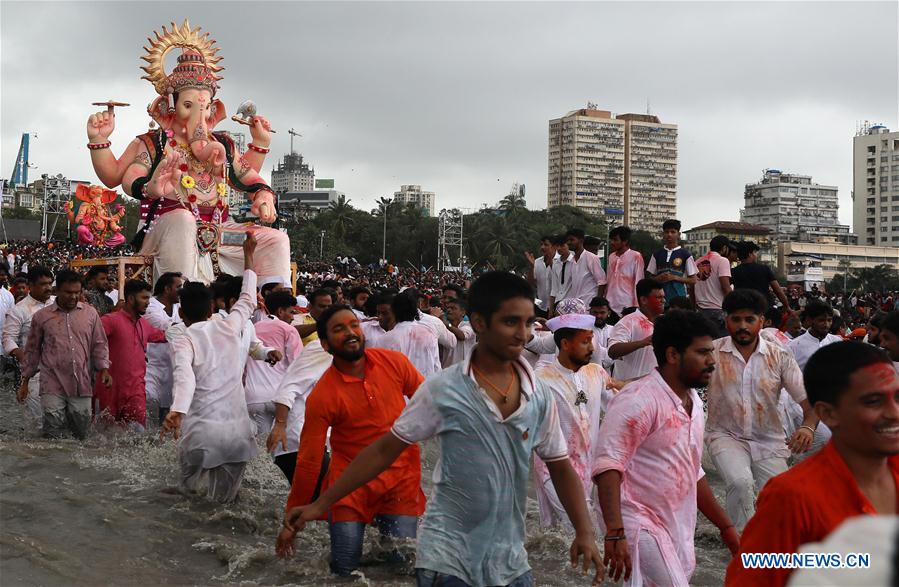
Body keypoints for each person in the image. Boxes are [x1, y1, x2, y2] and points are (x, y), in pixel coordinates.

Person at [278, 271, 604, 586]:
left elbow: (560, 466)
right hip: (440, 555)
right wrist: (315, 506)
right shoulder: (442, 390)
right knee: (344, 569)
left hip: (504, 557)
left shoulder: (539, 394)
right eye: (510, 322)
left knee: (396, 562)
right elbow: (369, 451)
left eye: (528, 323)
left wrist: (585, 532)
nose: (523, 334)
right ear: (479, 323)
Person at [726, 342, 899, 587]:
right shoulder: (792, 497)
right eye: (873, 401)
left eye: (898, 397)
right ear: (828, 414)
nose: (894, 413)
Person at [279, 305, 427, 577]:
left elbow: (431, 401)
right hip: (349, 488)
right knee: (343, 572)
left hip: (401, 481)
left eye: (353, 325)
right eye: (339, 329)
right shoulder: (323, 395)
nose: (350, 333)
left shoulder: (394, 362)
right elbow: (309, 460)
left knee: (402, 571)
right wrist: (294, 516)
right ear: (325, 345)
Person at [594, 310, 739, 585]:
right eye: (703, 353)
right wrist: (614, 530)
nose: (712, 362)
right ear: (673, 355)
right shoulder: (637, 401)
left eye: (712, 352)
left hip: (675, 523)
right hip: (636, 522)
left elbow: (692, 471)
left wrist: (726, 526)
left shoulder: (694, 402)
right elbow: (607, 466)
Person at [160, 234, 265, 503]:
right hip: (238, 434)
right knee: (223, 507)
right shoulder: (230, 325)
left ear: (181, 315)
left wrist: (177, 411)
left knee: (186, 498)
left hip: (201, 434)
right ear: (212, 309)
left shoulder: (182, 336)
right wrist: (248, 256)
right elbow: (248, 300)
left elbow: (185, 376)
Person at [705, 289, 818, 531]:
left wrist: (807, 427)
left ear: (762, 321)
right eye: (736, 319)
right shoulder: (710, 353)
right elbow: (678, 381)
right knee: (740, 482)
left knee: (778, 498)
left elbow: (810, 404)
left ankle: (768, 545)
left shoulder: (779, 357)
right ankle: (741, 544)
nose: (742, 326)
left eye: (749, 320)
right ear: (726, 320)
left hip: (769, 440)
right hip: (725, 436)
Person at [534, 312, 613, 531]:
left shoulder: (596, 373)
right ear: (566, 344)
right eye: (585, 342)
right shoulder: (541, 380)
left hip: (588, 466)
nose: (592, 348)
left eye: (592, 341)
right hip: (553, 469)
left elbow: (618, 402)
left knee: (566, 535)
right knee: (581, 528)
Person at [17, 269, 112, 440]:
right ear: (57, 291)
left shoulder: (90, 314)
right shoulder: (41, 317)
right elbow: (32, 351)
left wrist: (104, 369)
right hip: (51, 381)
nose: (73, 297)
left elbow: (99, 343)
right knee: (53, 429)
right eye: (68, 292)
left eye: (77, 293)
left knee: (81, 433)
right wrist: (25, 381)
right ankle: (53, 464)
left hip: (81, 382)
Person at [96, 279, 167, 431]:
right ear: (130, 299)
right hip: (109, 390)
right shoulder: (110, 320)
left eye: (148, 298)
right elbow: (93, 342)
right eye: (144, 298)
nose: (148, 303)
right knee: (105, 439)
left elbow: (163, 336)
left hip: (136, 391)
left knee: (138, 435)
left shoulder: (144, 324)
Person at [3, 266, 55, 436]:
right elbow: (8, 338)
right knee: (36, 424)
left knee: (59, 422)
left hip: (61, 370)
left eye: (50, 283)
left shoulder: (58, 303)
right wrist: (20, 354)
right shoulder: (20, 310)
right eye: (43, 284)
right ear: (30, 285)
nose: (48, 287)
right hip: (33, 374)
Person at [244, 290, 303, 436]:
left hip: (253, 397)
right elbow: (297, 366)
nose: (292, 317)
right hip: (280, 398)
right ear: (281, 311)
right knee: (282, 445)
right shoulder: (289, 330)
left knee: (262, 448)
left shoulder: (252, 328)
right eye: (291, 312)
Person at [144, 271, 183, 425]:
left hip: (171, 368)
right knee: (151, 411)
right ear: (167, 289)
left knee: (167, 416)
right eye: (178, 287)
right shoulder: (150, 306)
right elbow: (166, 326)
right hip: (151, 369)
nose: (182, 290)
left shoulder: (179, 306)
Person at [607, 279, 665, 381]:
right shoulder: (628, 322)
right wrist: (643, 343)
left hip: (656, 389)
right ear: (643, 300)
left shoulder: (666, 322)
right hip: (629, 390)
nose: (663, 301)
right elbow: (612, 351)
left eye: (663, 297)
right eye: (658, 297)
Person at [376, 291, 441, 377]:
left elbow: (381, 372)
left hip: (400, 388)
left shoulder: (385, 339)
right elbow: (437, 368)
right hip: (426, 387)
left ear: (394, 311)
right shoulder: (429, 334)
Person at [646, 219, 698, 304]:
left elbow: (693, 280)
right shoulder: (657, 254)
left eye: (673, 232)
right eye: (666, 232)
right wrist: (659, 278)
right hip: (660, 301)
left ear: (679, 234)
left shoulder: (685, 254)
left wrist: (674, 277)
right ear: (663, 234)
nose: (669, 234)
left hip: (680, 300)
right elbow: (649, 279)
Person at [731, 241, 790, 311]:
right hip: (763, 308)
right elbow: (777, 290)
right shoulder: (764, 269)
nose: (756, 255)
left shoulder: (734, 271)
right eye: (755, 252)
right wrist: (786, 306)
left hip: (743, 308)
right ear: (750, 254)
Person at [691, 235, 733, 337]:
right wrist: (733, 306)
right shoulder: (723, 261)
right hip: (718, 310)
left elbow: (691, 287)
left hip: (700, 311)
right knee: (720, 346)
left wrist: (693, 308)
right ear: (724, 248)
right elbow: (725, 287)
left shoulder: (697, 262)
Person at [787, 300, 842, 370]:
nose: (826, 325)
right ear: (809, 320)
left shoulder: (837, 342)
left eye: (829, 320)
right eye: (821, 320)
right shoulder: (793, 346)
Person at [604, 226, 644, 317]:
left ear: (625, 241)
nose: (612, 242)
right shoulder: (611, 256)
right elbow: (609, 279)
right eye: (611, 240)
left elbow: (638, 281)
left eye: (615, 240)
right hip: (610, 304)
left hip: (628, 304)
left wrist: (636, 305)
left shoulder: (636, 256)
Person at [564, 228, 607, 307]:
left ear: (581, 240)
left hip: (589, 304)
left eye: (572, 240)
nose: (569, 242)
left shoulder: (591, 257)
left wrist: (597, 304)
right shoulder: (571, 260)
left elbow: (602, 282)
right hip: (576, 304)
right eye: (567, 240)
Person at [526, 235, 557, 317]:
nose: (542, 247)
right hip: (540, 307)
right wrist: (532, 267)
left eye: (546, 245)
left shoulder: (560, 262)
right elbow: (530, 283)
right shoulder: (537, 262)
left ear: (554, 246)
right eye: (541, 244)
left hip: (556, 308)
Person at [440, 297, 476, 367]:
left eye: (453, 308)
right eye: (448, 308)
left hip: (463, 372)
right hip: (446, 372)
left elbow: (462, 336)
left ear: (463, 312)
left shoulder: (468, 325)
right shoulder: (444, 327)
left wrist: (447, 324)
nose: (449, 310)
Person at [549, 234, 573, 316]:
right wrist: (551, 310)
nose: (559, 248)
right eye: (557, 246)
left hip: (572, 305)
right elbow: (554, 289)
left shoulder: (575, 262)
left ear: (568, 245)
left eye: (562, 245)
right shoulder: (556, 263)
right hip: (558, 305)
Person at [589, 296, 613, 369]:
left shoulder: (614, 330)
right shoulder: (585, 330)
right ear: (590, 312)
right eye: (595, 312)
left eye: (602, 312)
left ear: (608, 313)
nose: (598, 316)